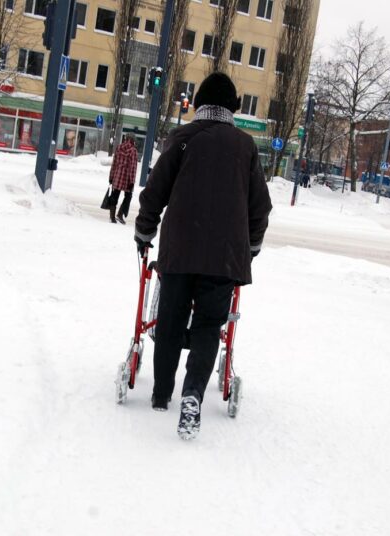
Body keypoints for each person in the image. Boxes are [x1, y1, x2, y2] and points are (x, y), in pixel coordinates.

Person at [134, 72, 272, 440]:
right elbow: (260, 207)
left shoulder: (181, 138)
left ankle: (162, 393)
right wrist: (251, 247)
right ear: (232, 109)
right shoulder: (246, 146)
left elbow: (155, 192)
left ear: (199, 105)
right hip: (225, 258)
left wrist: (144, 231)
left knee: (171, 320)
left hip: (179, 250)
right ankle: (193, 393)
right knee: (210, 326)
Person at [107, 134, 138, 224]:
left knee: (115, 196)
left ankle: (112, 217)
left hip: (117, 176)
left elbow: (114, 163)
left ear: (125, 139)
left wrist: (111, 177)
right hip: (127, 178)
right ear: (133, 140)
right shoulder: (133, 151)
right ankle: (120, 214)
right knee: (128, 196)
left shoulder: (119, 147)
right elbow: (133, 167)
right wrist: (132, 181)